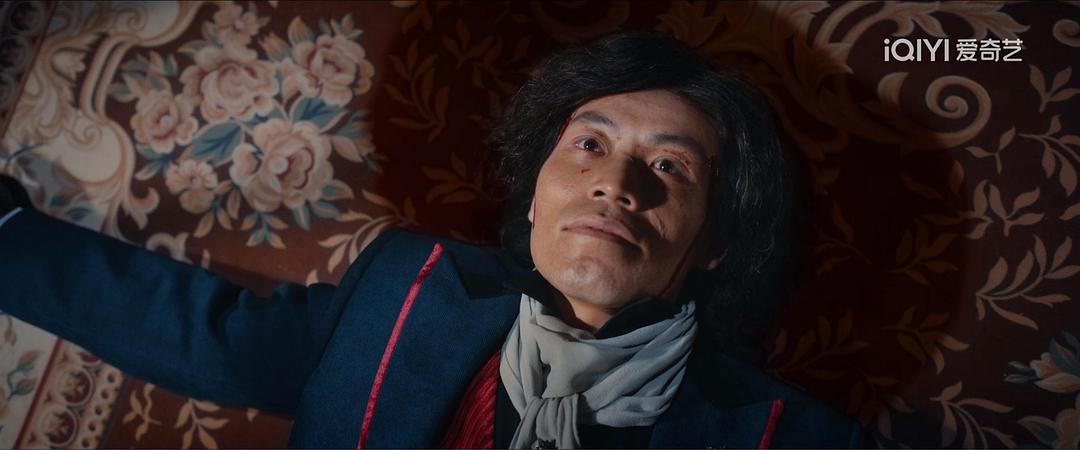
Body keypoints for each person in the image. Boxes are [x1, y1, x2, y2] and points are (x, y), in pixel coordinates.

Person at [0, 32, 861, 448]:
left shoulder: (792, 438)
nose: (614, 182)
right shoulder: (403, 296)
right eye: (588, 145)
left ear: (714, 242)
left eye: (669, 167)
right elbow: (205, 333)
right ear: (535, 199)